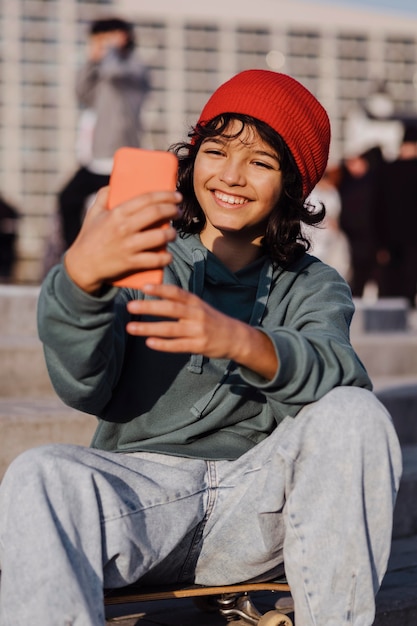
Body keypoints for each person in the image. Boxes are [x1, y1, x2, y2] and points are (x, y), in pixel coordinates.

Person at [0, 70, 402, 626]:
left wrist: (239, 340)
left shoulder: (313, 283)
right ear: (192, 160)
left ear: (291, 184)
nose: (231, 175)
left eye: (260, 162)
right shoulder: (146, 256)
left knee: (356, 412)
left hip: (257, 507)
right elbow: (82, 384)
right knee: (37, 471)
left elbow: (338, 373)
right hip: (143, 504)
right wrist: (80, 284)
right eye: (216, 151)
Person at [57, 16, 151, 249]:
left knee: (123, 214)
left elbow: (114, 73)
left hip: (121, 157)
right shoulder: (102, 72)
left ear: (123, 37)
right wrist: (91, 60)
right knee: (68, 199)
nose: (102, 43)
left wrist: (109, 50)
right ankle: (76, 252)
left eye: (108, 37)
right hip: (96, 159)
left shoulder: (134, 68)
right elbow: (81, 92)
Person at [374, 124, 417, 307]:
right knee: (408, 286)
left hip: (388, 239)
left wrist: (379, 241)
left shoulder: (385, 170)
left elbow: (376, 207)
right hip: (412, 239)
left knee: (389, 288)